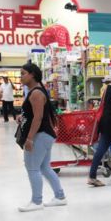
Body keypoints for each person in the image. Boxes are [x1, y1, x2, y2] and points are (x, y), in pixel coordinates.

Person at [18, 62, 67, 212]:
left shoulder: (36, 93)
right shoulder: (37, 90)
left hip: (40, 134)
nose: (21, 77)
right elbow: (36, 115)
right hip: (45, 134)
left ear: (32, 74)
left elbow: (38, 118)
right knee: (45, 167)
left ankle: (37, 201)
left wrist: (30, 139)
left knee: (32, 168)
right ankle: (60, 197)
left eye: (23, 74)